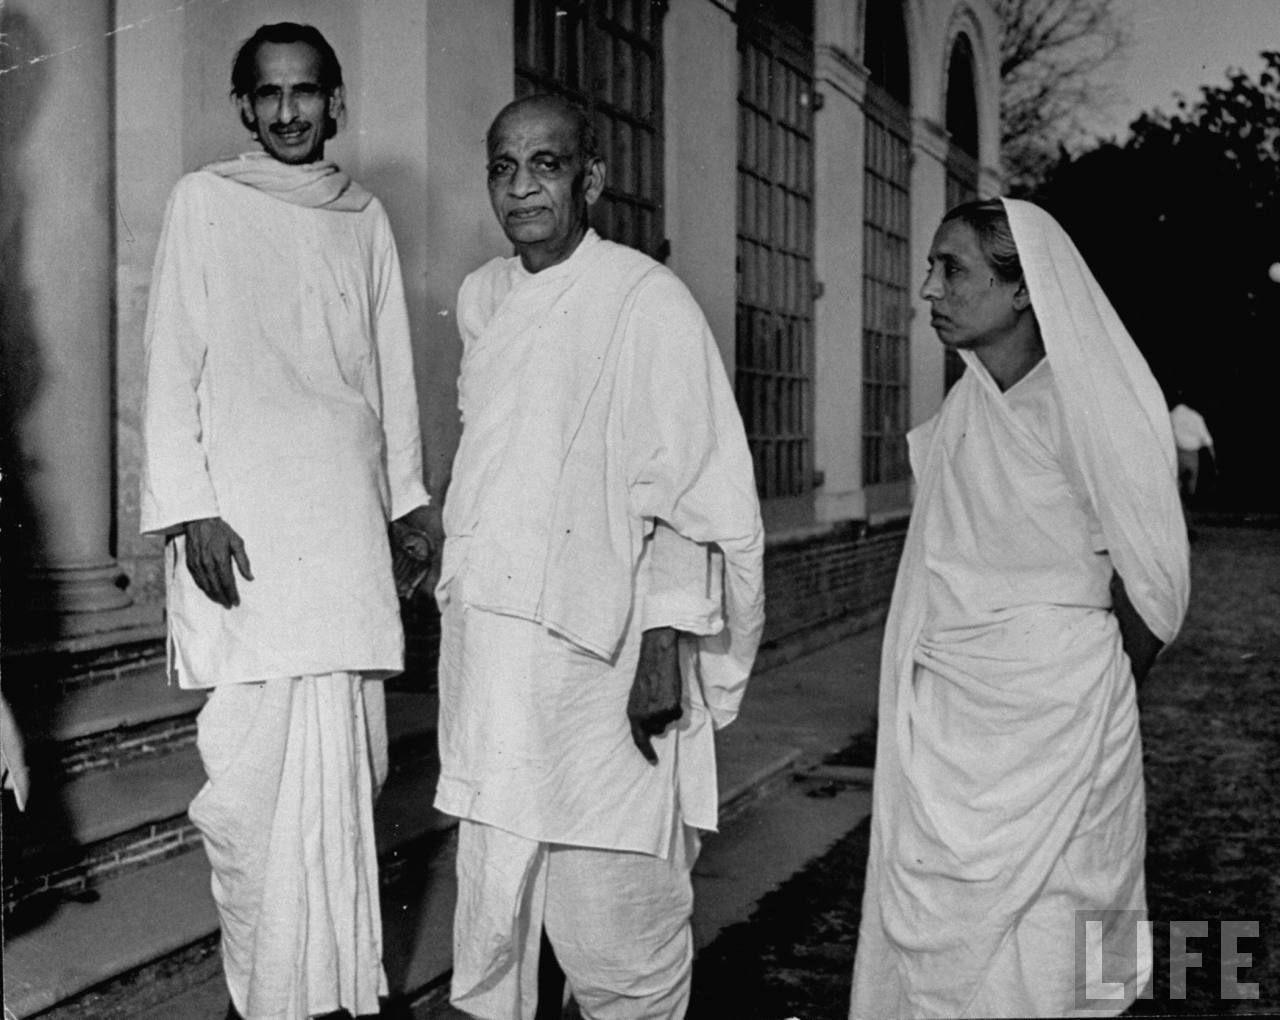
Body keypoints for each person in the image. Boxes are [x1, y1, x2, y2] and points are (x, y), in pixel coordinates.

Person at [435, 93, 765, 1019]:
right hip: (497, 651)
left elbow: (693, 494)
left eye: (545, 164)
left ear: (593, 179)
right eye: (503, 166)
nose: (522, 186)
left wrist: (666, 646)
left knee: (615, 911)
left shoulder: (646, 300)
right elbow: (498, 458)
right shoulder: (483, 298)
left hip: (607, 657)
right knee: (496, 898)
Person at [139, 23, 432, 1020]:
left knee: (353, 767)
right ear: (243, 108)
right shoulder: (203, 202)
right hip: (244, 540)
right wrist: (191, 512)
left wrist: (406, 509)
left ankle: (337, 997)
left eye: (306, 92)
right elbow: (171, 363)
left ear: (335, 101)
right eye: (268, 95)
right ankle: (263, 998)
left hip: (343, 536)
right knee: (250, 795)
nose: (288, 112)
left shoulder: (363, 217)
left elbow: (388, 375)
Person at [849, 199, 1190, 1018]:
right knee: (942, 947)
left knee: (1056, 944)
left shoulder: (1088, 408)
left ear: (1022, 289)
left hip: (1063, 728)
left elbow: (1154, 586)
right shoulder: (965, 409)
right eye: (932, 269)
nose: (928, 289)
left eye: (952, 269)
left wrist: (1074, 683)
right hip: (951, 729)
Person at [1169, 399, 1215, 502]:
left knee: (1177, 480)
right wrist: (1214, 460)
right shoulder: (1196, 417)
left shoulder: (1171, 415)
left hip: (1177, 451)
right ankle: (1188, 502)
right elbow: (1207, 441)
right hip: (1191, 453)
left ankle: (1180, 505)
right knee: (1190, 481)